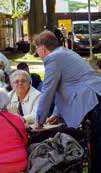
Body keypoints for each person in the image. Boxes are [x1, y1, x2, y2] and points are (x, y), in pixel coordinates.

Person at [35, 31, 101, 173]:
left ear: (42, 48)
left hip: (93, 101)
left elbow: (48, 91)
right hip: (95, 97)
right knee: (96, 146)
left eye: (37, 49)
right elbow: (66, 86)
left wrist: (39, 121)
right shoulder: (64, 53)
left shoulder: (52, 59)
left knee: (99, 146)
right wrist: (56, 114)